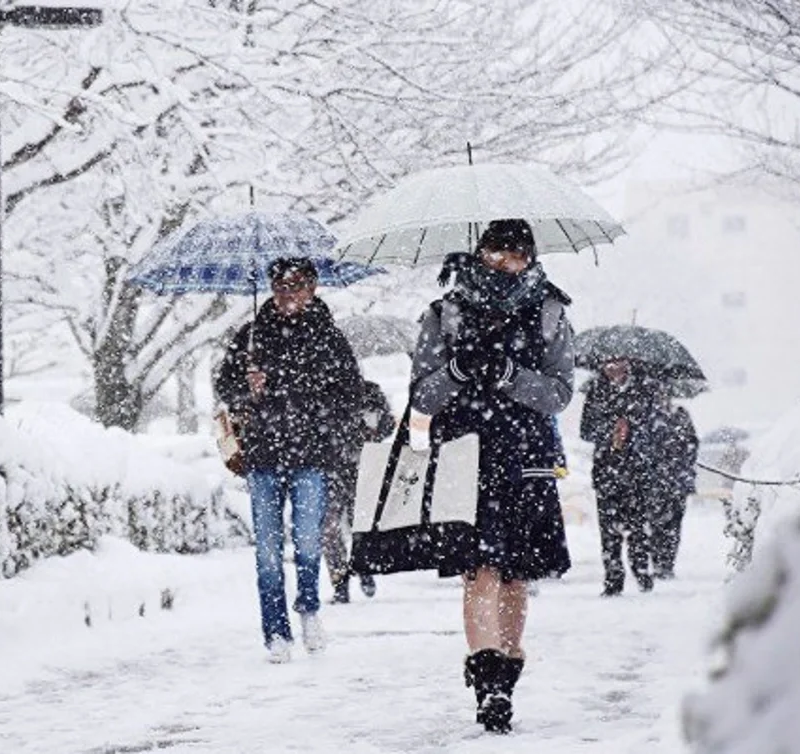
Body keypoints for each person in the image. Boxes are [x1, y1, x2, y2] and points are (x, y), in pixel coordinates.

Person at [409, 219, 575, 733]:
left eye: (517, 255)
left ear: (530, 257)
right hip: (465, 456)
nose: (507, 264)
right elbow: (421, 395)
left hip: (525, 456)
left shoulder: (550, 311)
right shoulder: (445, 313)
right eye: (497, 254)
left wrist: (510, 376)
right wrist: (458, 370)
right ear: (480, 253)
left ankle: (507, 672)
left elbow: (560, 393)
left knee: (515, 574)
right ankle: (488, 685)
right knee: (478, 571)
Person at [213, 256, 364, 663]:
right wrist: (248, 387)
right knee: (266, 550)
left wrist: (310, 402)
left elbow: (352, 393)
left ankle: (310, 608)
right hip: (263, 455)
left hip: (312, 456)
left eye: (296, 286)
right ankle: (275, 633)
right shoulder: (250, 336)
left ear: (313, 288)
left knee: (309, 542)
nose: (287, 294)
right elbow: (224, 386)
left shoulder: (329, 338)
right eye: (280, 286)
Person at [579, 358, 666, 596]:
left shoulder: (644, 389)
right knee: (609, 531)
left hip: (637, 472)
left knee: (638, 528)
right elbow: (585, 430)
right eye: (609, 364)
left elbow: (656, 428)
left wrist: (632, 429)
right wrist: (610, 430)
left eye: (619, 363)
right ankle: (613, 579)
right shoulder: (596, 391)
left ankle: (641, 572)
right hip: (606, 471)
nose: (613, 368)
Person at [322, 379, 396, 604]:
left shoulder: (369, 391)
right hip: (331, 467)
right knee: (331, 528)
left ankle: (363, 569)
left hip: (359, 466)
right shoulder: (319, 391)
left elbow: (388, 424)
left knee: (357, 523)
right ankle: (341, 582)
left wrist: (373, 427)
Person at [649, 393, 698, 578]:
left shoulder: (681, 414)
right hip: (656, 480)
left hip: (678, 479)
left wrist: (683, 461)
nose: (663, 397)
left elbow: (693, 442)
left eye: (665, 393)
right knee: (656, 522)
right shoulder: (650, 416)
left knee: (674, 523)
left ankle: (667, 563)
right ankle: (658, 562)